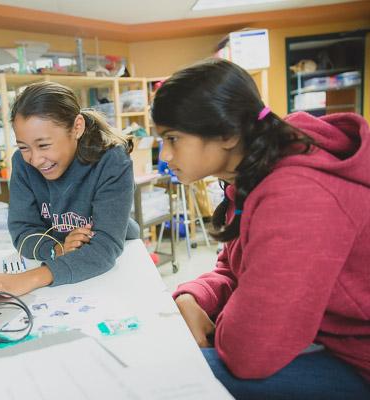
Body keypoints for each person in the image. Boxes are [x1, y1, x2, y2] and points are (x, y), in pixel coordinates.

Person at [151, 58, 370, 399]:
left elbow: (249, 353)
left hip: (359, 361)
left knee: (178, 377)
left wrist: (223, 322)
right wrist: (193, 297)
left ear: (227, 133)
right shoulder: (254, 172)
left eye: (173, 138)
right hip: (330, 339)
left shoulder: (298, 193)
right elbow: (233, 267)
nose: (164, 154)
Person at [0, 81, 139, 297]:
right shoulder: (22, 162)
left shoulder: (111, 160)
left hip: (115, 264)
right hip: (61, 261)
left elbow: (104, 246)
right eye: (23, 147)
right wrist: (56, 249)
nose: (36, 159)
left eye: (44, 145)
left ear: (77, 127)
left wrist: (29, 279)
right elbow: (22, 232)